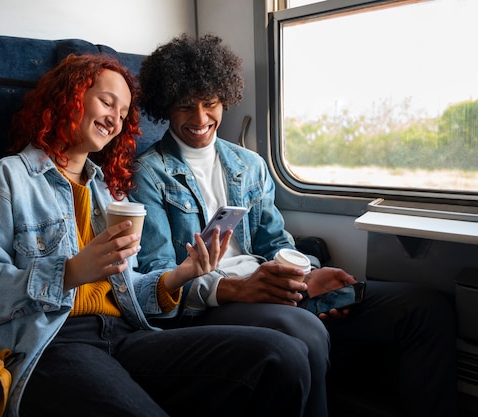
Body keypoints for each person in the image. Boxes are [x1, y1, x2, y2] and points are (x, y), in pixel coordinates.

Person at [0, 53, 314, 417]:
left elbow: (130, 290)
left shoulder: (107, 192)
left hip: (125, 334)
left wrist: (185, 272)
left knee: (281, 356)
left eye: (123, 113)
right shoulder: (5, 180)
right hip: (49, 343)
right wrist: (69, 272)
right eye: (107, 102)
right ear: (68, 98)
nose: (114, 119)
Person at [131, 34, 458, 417]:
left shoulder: (248, 164)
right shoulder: (148, 174)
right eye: (186, 107)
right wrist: (236, 288)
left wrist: (308, 273)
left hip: (271, 282)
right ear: (166, 108)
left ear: (225, 99)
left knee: (424, 308)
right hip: (212, 304)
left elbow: (274, 241)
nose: (201, 119)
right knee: (304, 331)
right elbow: (158, 277)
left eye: (210, 104)